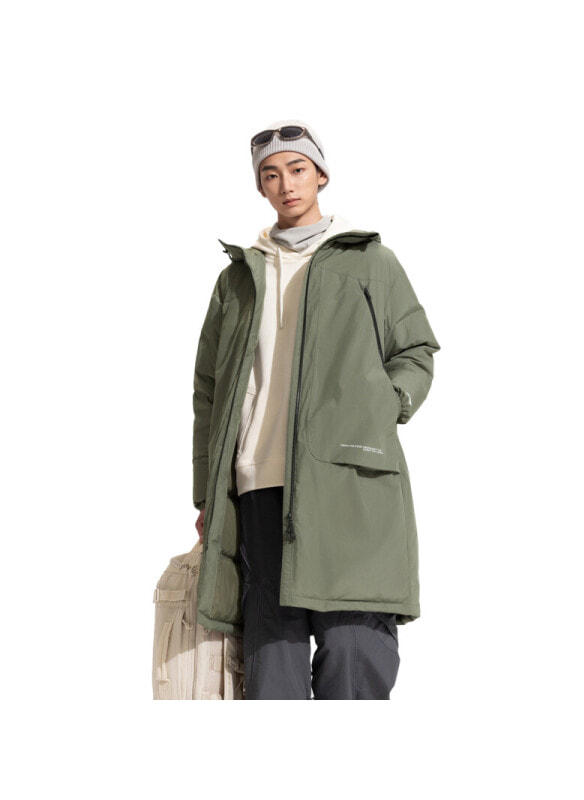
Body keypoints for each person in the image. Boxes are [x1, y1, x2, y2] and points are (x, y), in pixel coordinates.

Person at [192, 118, 441, 700]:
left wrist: (383, 408)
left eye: (297, 169)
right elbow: (208, 389)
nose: (286, 185)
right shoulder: (238, 278)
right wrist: (206, 494)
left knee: (354, 646)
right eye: (271, 175)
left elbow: (415, 350)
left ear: (321, 175)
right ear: (260, 186)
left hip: (349, 478)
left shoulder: (369, 261)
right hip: (257, 483)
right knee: (271, 660)